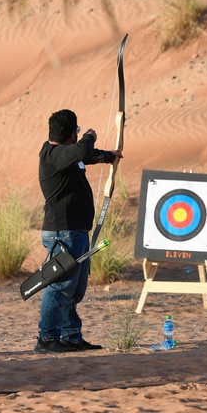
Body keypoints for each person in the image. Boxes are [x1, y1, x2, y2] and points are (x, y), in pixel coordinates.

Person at [35, 109, 122, 354]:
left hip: (75, 232)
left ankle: (71, 336)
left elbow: (86, 156)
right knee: (59, 287)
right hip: (62, 234)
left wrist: (109, 156)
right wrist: (91, 136)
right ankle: (47, 338)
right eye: (78, 131)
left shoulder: (67, 155)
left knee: (74, 288)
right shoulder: (52, 154)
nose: (80, 135)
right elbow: (82, 150)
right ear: (71, 134)